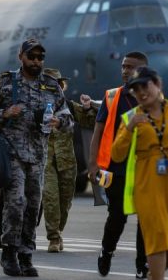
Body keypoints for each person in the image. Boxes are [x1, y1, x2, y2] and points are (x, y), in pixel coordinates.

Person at [0, 38, 74, 277]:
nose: (36, 61)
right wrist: (5, 113)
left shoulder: (52, 85)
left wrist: (58, 122)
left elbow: (68, 118)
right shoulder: (5, 82)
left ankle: (25, 254)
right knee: (16, 203)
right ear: (21, 56)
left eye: (40, 57)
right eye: (31, 57)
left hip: (38, 156)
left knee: (33, 205)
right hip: (12, 153)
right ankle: (9, 251)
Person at [110, 66, 168, 280]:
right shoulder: (130, 118)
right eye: (135, 89)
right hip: (148, 186)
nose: (141, 92)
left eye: (145, 85)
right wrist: (131, 128)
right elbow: (116, 154)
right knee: (157, 237)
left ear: (158, 84)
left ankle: (152, 276)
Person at [87, 51, 150, 277]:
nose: (125, 71)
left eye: (130, 67)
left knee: (145, 220)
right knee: (117, 217)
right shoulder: (112, 97)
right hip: (117, 169)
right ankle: (107, 251)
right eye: (123, 66)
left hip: (145, 170)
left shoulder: (154, 99)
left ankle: (142, 265)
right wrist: (93, 165)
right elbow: (98, 131)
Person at [40, 68, 97, 253]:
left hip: (67, 162)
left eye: (56, 85)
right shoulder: (36, 108)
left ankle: (58, 230)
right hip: (45, 160)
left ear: (62, 87)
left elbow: (92, 122)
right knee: (50, 197)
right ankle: (54, 238)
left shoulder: (69, 107)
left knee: (65, 201)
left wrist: (89, 108)